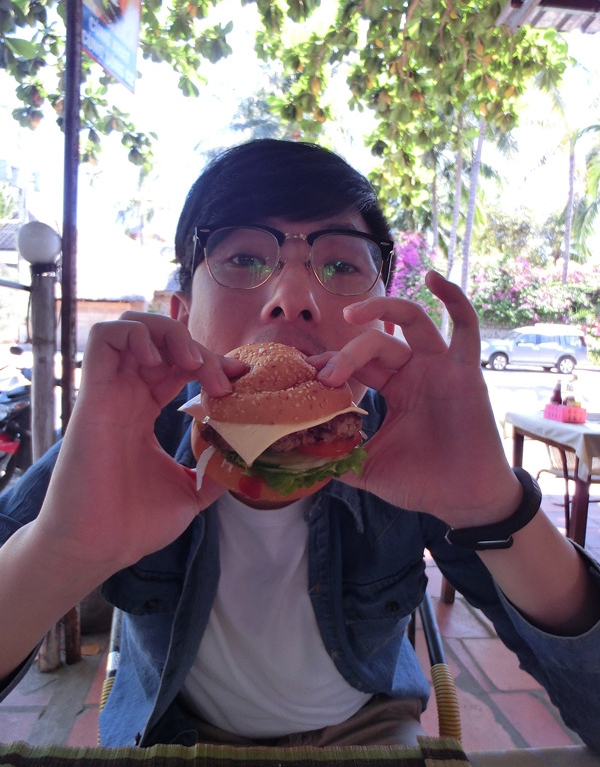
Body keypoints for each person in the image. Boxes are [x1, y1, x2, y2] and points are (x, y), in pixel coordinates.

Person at [1, 139, 600, 750]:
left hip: (368, 727)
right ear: (182, 315)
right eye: (242, 259)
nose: (293, 299)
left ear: (383, 317)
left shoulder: (411, 439)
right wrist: (62, 552)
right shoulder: (131, 437)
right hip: (171, 731)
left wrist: (492, 507)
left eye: (341, 266)